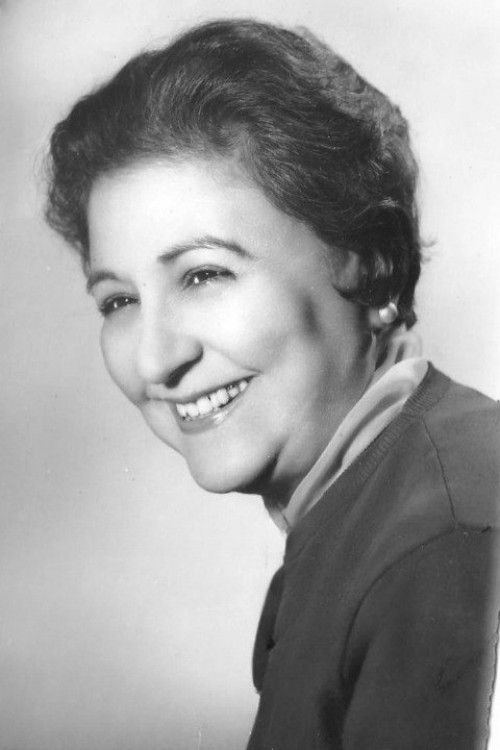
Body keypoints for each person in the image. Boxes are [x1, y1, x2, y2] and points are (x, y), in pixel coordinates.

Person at [44, 18, 499, 750]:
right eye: (119, 300)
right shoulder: (375, 500)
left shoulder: (445, 545)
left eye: (203, 274)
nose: (156, 360)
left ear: (376, 265)